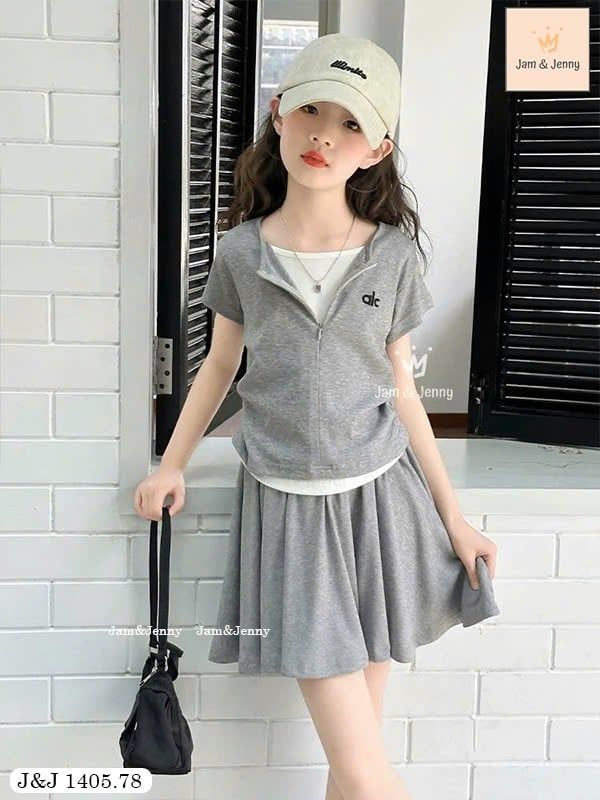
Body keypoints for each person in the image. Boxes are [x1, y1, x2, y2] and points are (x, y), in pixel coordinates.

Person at [134, 32, 500, 800]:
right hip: (290, 512)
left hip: (382, 507)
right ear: (278, 113)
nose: (324, 135)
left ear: (377, 150)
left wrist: (454, 518)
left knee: (352, 772)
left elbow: (401, 390)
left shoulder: (392, 256)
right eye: (311, 111)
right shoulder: (241, 253)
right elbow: (220, 366)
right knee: (365, 773)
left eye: (351, 123)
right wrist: (171, 464)